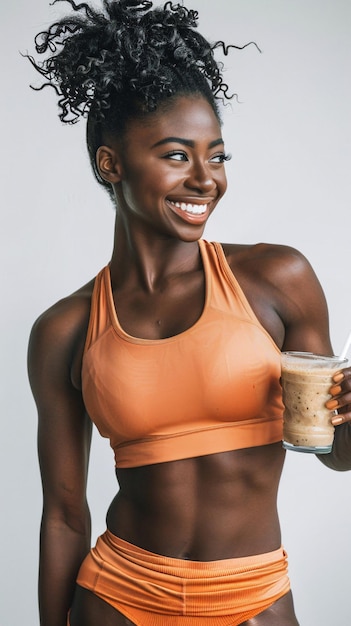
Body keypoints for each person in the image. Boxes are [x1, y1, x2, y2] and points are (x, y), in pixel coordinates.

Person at [27, 1, 351, 625]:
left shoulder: (276, 280)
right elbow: (65, 513)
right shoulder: (65, 330)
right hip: (118, 599)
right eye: (177, 155)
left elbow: (334, 451)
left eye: (218, 155)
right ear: (110, 164)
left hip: (253, 598)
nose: (206, 179)